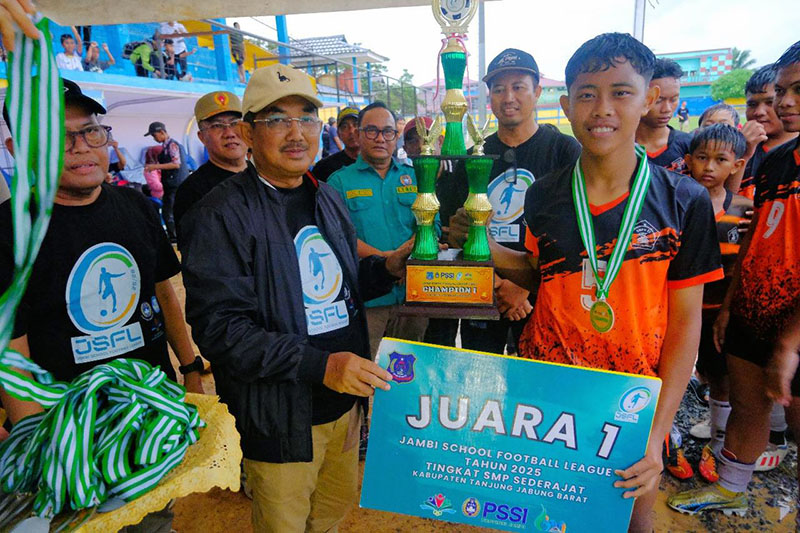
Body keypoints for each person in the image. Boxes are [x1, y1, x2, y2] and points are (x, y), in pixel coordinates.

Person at [488, 33, 723, 532]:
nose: (602, 108)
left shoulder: (684, 200)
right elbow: (543, 275)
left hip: (632, 402)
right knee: (546, 518)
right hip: (548, 392)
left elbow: (685, 326)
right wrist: (480, 252)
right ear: (566, 104)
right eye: (587, 93)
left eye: (621, 92)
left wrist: (659, 432)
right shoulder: (546, 196)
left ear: (648, 100)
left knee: (630, 523)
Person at [180, 63, 410, 533]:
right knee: (285, 522)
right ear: (247, 131)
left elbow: (342, 287)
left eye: (306, 118)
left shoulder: (326, 196)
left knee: (329, 513)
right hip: (282, 417)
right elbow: (220, 329)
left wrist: (387, 268)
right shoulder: (219, 214)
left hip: (343, 406)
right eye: (276, 120)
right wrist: (320, 366)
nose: (295, 133)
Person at [0, 78, 204, 440]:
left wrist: (189, 367)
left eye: (91, 131)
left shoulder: (137, 207)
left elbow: (162, 294)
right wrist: (45, 451)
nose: (80, 148)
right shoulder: (8, 232)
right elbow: (11, 363)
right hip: (68, 433)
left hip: (155, 415)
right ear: (18, 149)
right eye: (56, 137)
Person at [668, 40, 800, 517]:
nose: (782, 104)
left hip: (793, 320)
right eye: (777, 92)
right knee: (748, 405)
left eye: (793, 91)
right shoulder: (775, 163)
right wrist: (729, 305)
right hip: (751, 306)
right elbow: (756, 241)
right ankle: (730, 485)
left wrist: (790, 340)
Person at [448, 48, 581, 355]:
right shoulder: (473, 158)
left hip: (545, 299)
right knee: (483, 384)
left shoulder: (565, 152)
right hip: (484, 295)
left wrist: (524, 287)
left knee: (538, 389)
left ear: (536, 91)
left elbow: (576, 236)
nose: (508, 97)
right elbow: (456, 233)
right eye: (498, 89)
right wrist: (498, 284)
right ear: (489, 97)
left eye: (518, 87)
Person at [668, 124, 752, 484]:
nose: (709, 167)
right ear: (687, 161)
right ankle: (666, 440)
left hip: (718, 312)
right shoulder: (672, 204)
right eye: (701, 157)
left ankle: (718, 446)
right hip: (677, 311)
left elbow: (746, 265)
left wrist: (730, 310)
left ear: (737, 165)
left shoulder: (746, 211)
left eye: (720, 159)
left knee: (720, 378)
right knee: (666, 372)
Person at [327, 102, 431, 356]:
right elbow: (339, 236)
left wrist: (410, 257)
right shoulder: (339, 182)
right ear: (359, 134)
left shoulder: (415, 177)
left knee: (409, 375)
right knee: (365, 373)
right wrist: (388, 262)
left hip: (412, 293)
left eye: (388, 132)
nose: (380, 138)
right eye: (372, 131)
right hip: (368, 300)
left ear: (395, 137)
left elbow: (431, 224)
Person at [403, 116, 461, 347]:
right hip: (414, 278)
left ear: (441, 140)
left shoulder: (460, 177)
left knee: (442, 340)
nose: (421, 143)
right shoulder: (402, 180)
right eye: (413, 139)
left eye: (428, 136)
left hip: (452, 278)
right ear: (405, 148)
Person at [174, 90, 247, 242]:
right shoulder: (193, 192)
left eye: (235, 124)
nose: (229, 133)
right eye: (217, 126)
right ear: (202, 137)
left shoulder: (265, 177)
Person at [736, 64, 799, 199]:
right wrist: (742, 151)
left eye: (769, 102)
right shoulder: (735, 148)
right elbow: (719, 196)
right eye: (752, 105)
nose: (759, 112)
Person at [635, 58, 692, 173]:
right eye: (658, 100)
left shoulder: (689, 145)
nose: (667, 109)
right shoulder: (619, 146)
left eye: (673, 99)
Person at [144, 121, 189, 242]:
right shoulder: (165, 147)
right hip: (171, 184)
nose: (154, 138)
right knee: (168, 210)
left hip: (176, 183)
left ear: (162, 132)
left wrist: (155, 167)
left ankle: (175, 237)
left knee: (169, 211)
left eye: (154, 135)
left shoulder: (172, 145)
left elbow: (176, 164)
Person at [312, 107, 359, 182]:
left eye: (356, 125)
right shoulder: (324, 168)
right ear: (338, 134)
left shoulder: (377, 164)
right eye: (345, 127)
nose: (352, 131)